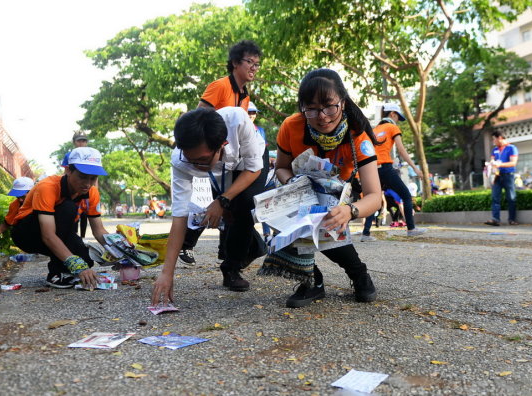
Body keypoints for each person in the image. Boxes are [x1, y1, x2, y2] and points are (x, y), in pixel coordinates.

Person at [268, 68, 383, 308]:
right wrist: (292, 184)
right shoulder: (291, 127)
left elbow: (374, 196)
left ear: (343, 101)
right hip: (301, 192)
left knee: (329, 224)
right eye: (311, 109)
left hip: (337, 197)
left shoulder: (358, 135)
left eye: (329, 106)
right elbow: (281, 168)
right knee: (284, 219)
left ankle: (358, 273)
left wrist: (350, 211)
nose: (322, 116)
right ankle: (311, 280)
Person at [151, 107, 268, 304]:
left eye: (202, 160)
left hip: (249, 162)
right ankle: (254, 246)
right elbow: (179, 217)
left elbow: (254, 168)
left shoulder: (237, 119)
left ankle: (231, 266)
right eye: (192, 160)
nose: (197, 166)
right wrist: (167, 273)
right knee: (229, 215)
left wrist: (222, 200)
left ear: (222, 145)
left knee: (244, 203)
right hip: (221, 171)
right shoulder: (180, 161)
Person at [179, 40, 263, 266]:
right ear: (235, 63)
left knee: (237, 202)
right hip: (211, 158)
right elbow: (198, 120)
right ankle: (189, 245)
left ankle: (229, 255)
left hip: (231, 158)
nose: (254, 68)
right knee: (217, 203)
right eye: (250, 62)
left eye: (257, 64)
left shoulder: (244, 95)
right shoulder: (220, 86)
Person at [11, 147, 109, 289]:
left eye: (93, 178)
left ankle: (65, 268)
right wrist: (75, 265)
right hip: (27, 234)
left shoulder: (92, 192)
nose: (87, 184)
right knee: (68, 208)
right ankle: (56, 274)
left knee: (86, 260)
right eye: (82, 176)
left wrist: (122, 250)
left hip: (60, 232)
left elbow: (99, 231)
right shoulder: (47, 187)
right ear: (68, 170)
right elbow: (48, 235)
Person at [373, 104, 426, 236]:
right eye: (398, 118)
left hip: (372, 169)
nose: (398, 121)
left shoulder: (374, 130)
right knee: (406, 196)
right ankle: (411, 229)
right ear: (392, 114)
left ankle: (365, 234)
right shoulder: (392, 127)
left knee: (373, 200)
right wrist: (416, 169)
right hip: (385, 167)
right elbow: (401, 150)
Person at [484, 131, 519, 226]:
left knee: (511, 197)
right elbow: (492, 160)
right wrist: (490, 165)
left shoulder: (512, 148)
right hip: (497, 175)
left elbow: (513, 163)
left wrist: (500, 164)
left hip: (508, 175)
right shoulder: (494, 150)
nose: (493, 141)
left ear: (500, 138)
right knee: (495, 197)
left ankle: (512, 219)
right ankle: (495, 219)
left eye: (494, 139)